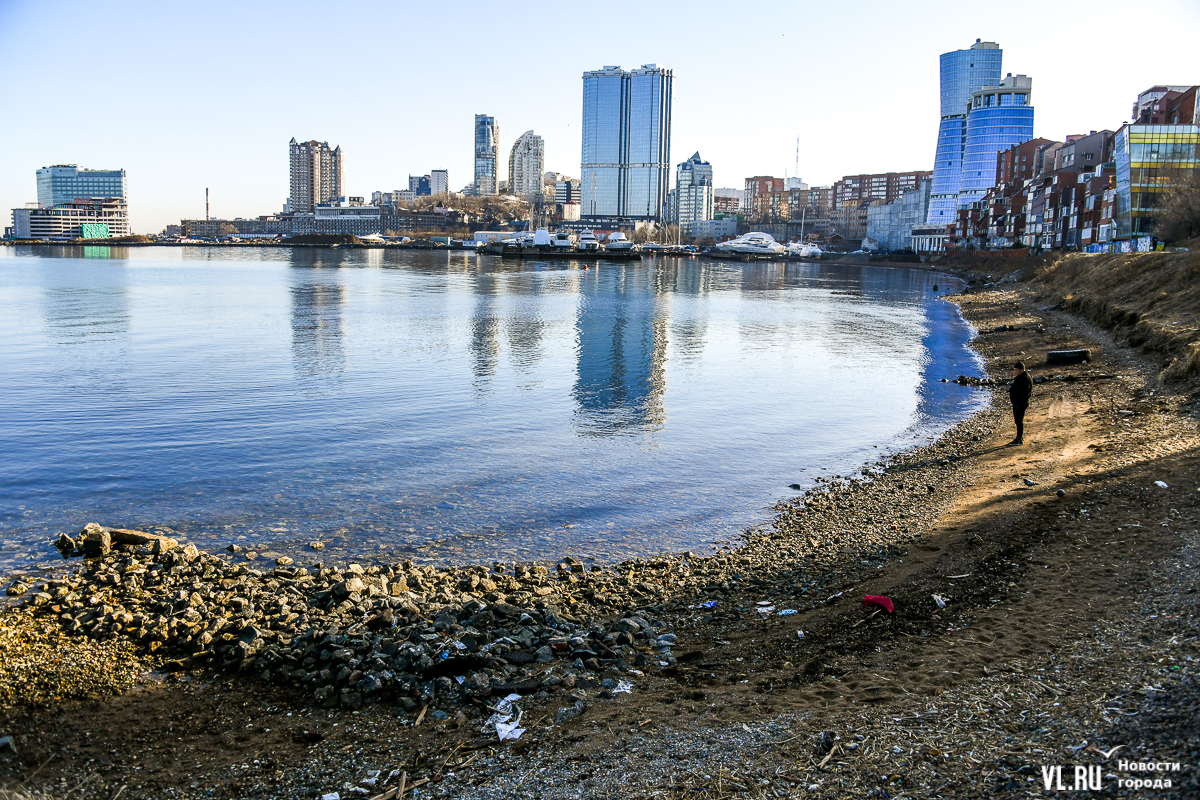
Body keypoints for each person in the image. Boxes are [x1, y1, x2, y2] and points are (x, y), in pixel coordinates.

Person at [1009, 361, 1033, 445]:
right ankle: (1019, 436)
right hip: (1018, 402)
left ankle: (1019, 438)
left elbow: (1022, 392)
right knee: (1018, 420)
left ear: (1022, 369)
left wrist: (1012, 390)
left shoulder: (1025, 379)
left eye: (1017, 370)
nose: (1015, 372)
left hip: (1020, 403)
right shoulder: (1021, 377)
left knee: (1019, 420)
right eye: (1015, 370)